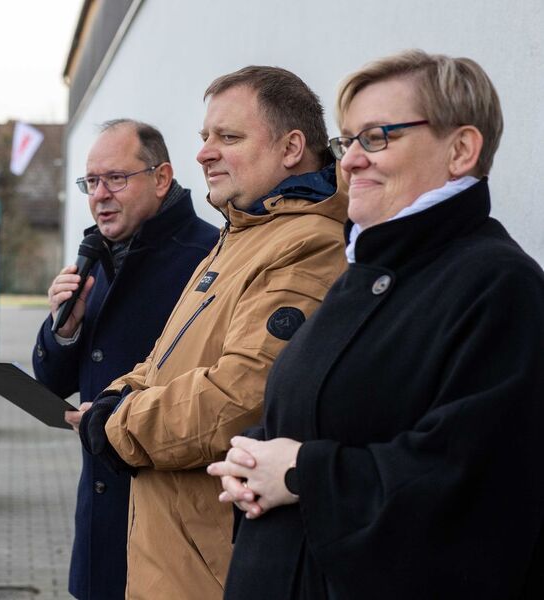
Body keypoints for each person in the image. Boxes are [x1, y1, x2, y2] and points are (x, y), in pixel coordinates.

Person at [208, 50, 544, 599]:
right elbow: (330, 412)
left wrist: (302, 473)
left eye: (376, 137)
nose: (350, 162)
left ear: (461, 149)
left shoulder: (499, 286)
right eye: (348, 141)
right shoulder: (368, 269)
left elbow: (471, 482)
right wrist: (253, 455)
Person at [80, 66, 349, 599]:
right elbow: (163, 360)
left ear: (292, 147)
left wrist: (117, 424)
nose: (204, 153)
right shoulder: (241, 233)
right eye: (206, 136)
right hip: (173, 550)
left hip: (212, 566)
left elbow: (239, 400)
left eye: (228, 137)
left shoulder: (308, 245)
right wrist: (119, 393)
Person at [33, 119, 218, 599]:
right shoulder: (96, 258)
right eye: (91, 182)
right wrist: (64, 330)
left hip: (173, 529)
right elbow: (52, 383)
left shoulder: (209, 258)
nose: (100, 195)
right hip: (100, 524)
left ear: (161, 178)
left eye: (115, 178)